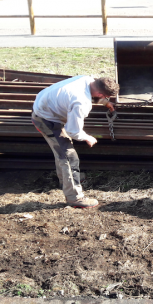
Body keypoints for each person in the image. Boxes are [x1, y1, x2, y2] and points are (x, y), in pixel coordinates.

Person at [31, 76, 119, 208]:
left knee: (60, 152)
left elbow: (95, 92)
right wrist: (87, 137)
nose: (106, 99)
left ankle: (65, 181)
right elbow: (73, 130)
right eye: (106, 97)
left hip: (44, 107)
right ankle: (74, 198)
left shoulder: (87, 78)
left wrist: (105, 103)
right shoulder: (81, 102)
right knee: (69, 157)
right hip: (46, 119)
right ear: (101, 93)